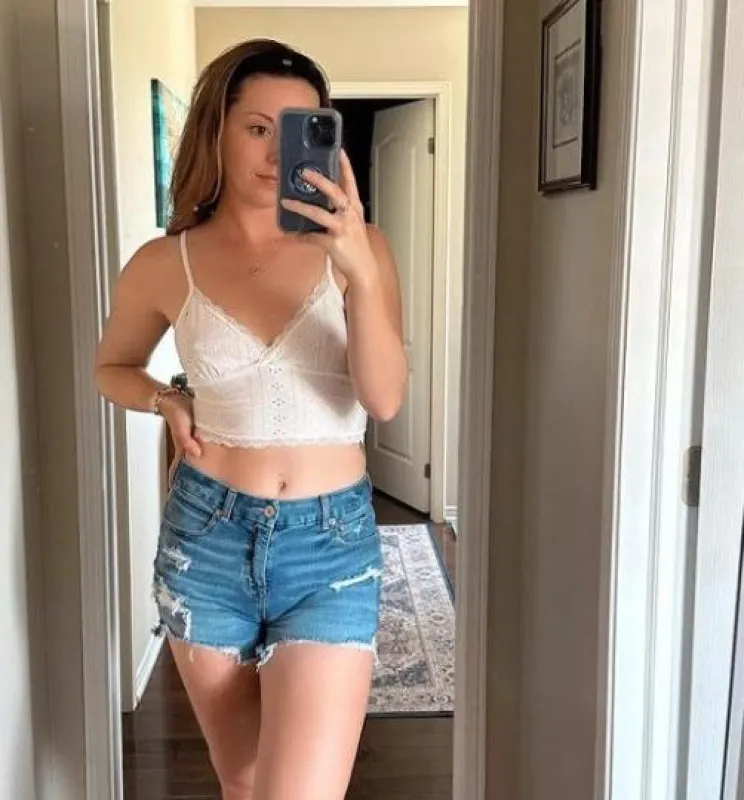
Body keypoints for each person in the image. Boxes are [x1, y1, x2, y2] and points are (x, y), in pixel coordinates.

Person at [95, 38, 407, 800]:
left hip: (329, 550)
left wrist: (360, 272)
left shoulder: (362, 249)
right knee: (241, 782)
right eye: (258, 128)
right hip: (206, 538)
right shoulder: (165, 261)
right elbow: (111, 367)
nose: (276, 152)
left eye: (299, 129)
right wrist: (166, 399)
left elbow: (384, 399)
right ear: (218, 130)